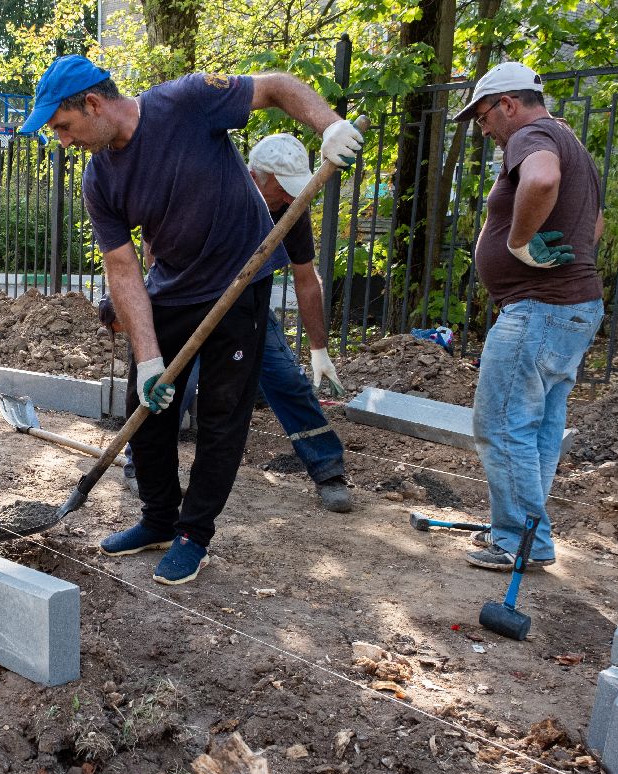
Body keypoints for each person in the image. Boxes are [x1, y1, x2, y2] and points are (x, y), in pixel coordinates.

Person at [19, 55, 362, 584]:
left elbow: (274, 86)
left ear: (92, 103)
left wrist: (330, 125)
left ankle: (192, 535)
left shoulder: (185, 101)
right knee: (147, 404)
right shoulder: (99, 180)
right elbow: (123, 268)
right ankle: (158, 518)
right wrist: (149, 359)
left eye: (62, 127)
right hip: (173, 288)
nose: (62, 141)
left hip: (240, 283)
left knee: (223, 418)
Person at [454, 61, 605, 571]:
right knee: (537, 430)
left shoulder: (533, 135)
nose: (483, 128)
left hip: (539, 312)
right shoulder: (571, 141)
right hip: (571, 308)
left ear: (508, 105)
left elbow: (541, 180)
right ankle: (525, 534)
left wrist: (519, 244)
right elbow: (595, 222)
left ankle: (518, 539)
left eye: (482, 116)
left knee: (499, 424)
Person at [244, 133, 353, 513]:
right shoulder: (221, 191)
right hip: (195, 300)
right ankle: (141, 463)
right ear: (257, 177)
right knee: (171, 382)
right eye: (284, 190)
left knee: (289, 380)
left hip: (249, 304)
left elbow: (306, 280)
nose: (293, 199)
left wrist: (319, 351)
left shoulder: (293, 209)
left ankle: (328, 470)